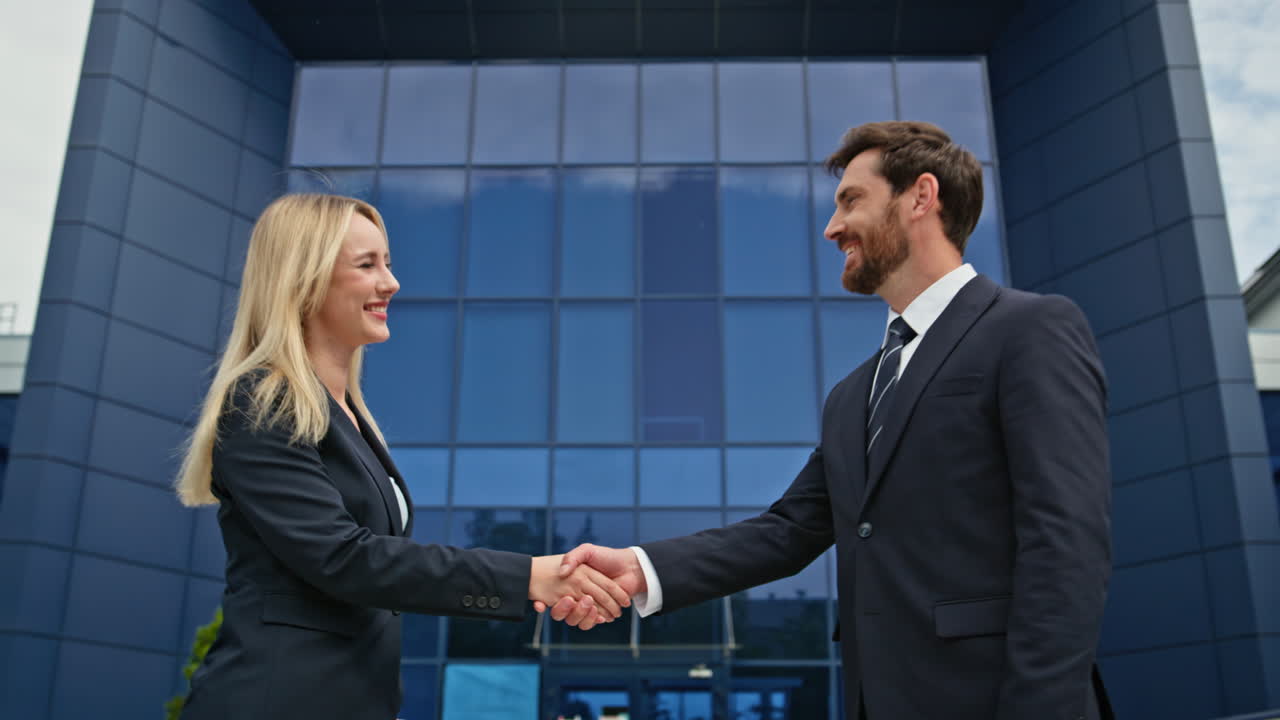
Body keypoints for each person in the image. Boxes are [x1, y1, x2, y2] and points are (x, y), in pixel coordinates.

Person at [549, 121, 1114, 720]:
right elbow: (787, 531)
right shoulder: (854, 395)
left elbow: (1066, 541)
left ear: (921, 197)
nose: (832, 227)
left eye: (851, 200)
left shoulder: (1029, 329)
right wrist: (640, 568)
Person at [174, 193, 628, 720]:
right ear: (304, 280)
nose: (389, 283)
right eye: (366, 266)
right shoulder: (264, 402)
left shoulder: (349, 418)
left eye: (387, 263)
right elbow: (345, 559)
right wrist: (528, 575)